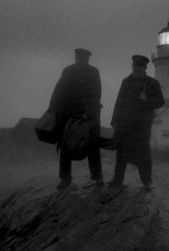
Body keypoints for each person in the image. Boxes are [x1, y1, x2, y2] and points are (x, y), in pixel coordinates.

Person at [49, 48, 103, 189]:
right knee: (66, 145)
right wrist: (53, 110)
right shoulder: (71, 71)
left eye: (80, 58)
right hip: (71, 115)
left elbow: (96, 94)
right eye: (79, 57)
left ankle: (96, 176)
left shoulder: (91, 72)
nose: (79, 60)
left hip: (86, 115)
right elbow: (59, 91)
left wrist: (87, 113)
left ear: (84, 58)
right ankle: (66, 178)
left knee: (91, 145)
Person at [108, 55, 165, 190]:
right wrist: (114, 119)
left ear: (144, 68)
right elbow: (119, 101)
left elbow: (160, 102)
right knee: (121, 151)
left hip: (142, 124)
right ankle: (117, 180)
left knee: (143, 151)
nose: (136, 69)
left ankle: (147, 182)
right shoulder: (126, 81)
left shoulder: (152, 83)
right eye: (134, 66)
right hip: (124, 122)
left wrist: (147, 99)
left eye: (139, 67)